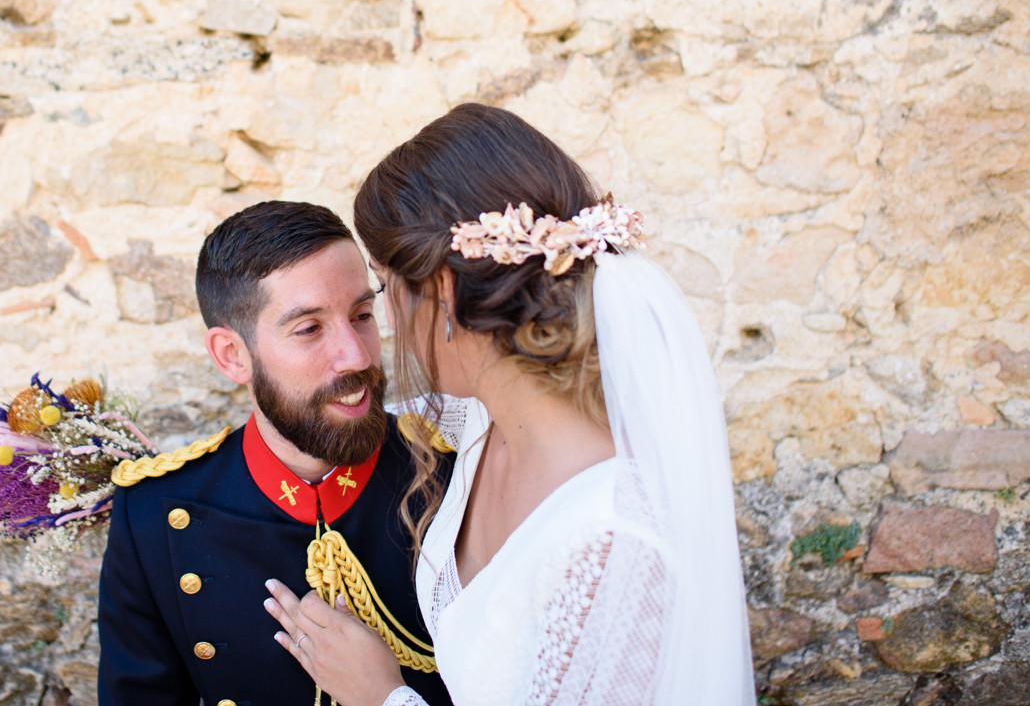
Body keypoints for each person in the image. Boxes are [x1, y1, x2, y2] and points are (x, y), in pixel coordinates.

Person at [263, 104, 753, 706]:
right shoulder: (479, 420)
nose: (383, 325)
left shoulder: (611, 544)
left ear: (441, 291)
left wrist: (382, 696)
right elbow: (343, 417)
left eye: (384, 291)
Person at [97, 200, 453, 706]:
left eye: (363, 314)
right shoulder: (153, 512)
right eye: (309, 329)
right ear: (233, 356)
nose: (356, 355)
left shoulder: (450, 471)